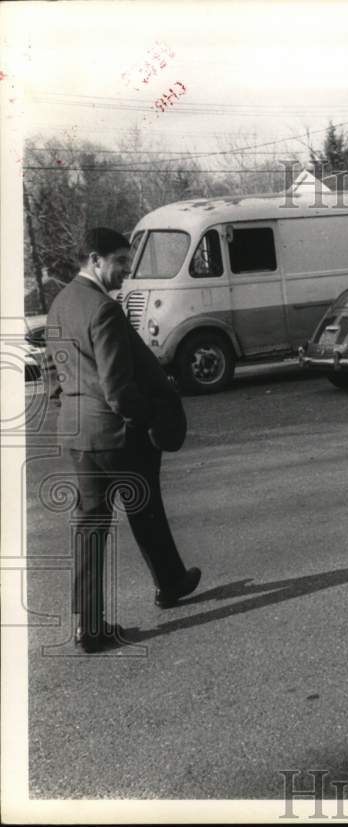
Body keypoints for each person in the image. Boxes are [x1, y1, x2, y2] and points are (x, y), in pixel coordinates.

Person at [46, 227, 201, 653]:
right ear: (95, 260)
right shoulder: (104, 310)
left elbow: (54, 375)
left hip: (78, 434)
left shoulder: (60, 303)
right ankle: (171, 584)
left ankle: (89, 627)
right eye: (120, 260)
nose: (127, 268)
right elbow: (118, 390)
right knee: (146, 509)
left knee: (90, 526)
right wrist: (148, 420)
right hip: (116, 433)